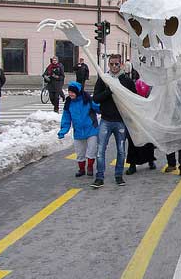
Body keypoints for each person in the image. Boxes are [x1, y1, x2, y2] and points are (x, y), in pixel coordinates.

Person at [91, 54, 136, 188]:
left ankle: (118, 175)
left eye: (117, 64)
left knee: (121, 150)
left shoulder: (127, 80)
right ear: (109, 65)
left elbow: (134, 98)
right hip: (106, 120)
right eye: (112, 64)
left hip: (120, 121)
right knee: (100, 150)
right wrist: (108, 91)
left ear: (121, 64)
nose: (114, 66)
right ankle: (99, 177)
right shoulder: (104, 79)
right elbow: (96, 98)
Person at [57, 81, 99, 177]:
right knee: (80, 152)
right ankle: (81, 169)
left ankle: (89, 167)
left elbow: (99, 108)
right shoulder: (68, 103)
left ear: (78, 92)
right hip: (78, 132)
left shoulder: (88, 100)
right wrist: (63, 131)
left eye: (72, 92)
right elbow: (66, 118)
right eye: (69, 92)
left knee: (91, 150)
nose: (70, 94)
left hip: (91, 129)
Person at [126, 79, 157, 175]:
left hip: (147, 113)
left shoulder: (151, 84)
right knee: (133, 140)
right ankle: (132, 164)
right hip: (136, 112)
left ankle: (150, 160)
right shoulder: (135, 83)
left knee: (148, 139)